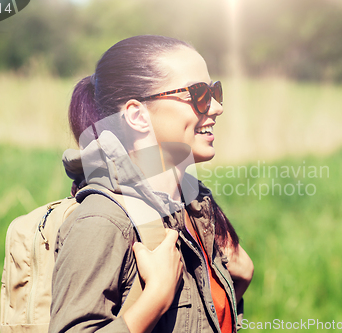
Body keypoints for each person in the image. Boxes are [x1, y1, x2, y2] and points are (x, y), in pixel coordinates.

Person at [49, 35, 254, 333]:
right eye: (198, 93)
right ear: (137, 115)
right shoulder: (103, 220)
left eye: (214, 91)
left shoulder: (195, 208)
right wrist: (156, 299)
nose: (216, 107)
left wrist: (240, 280)